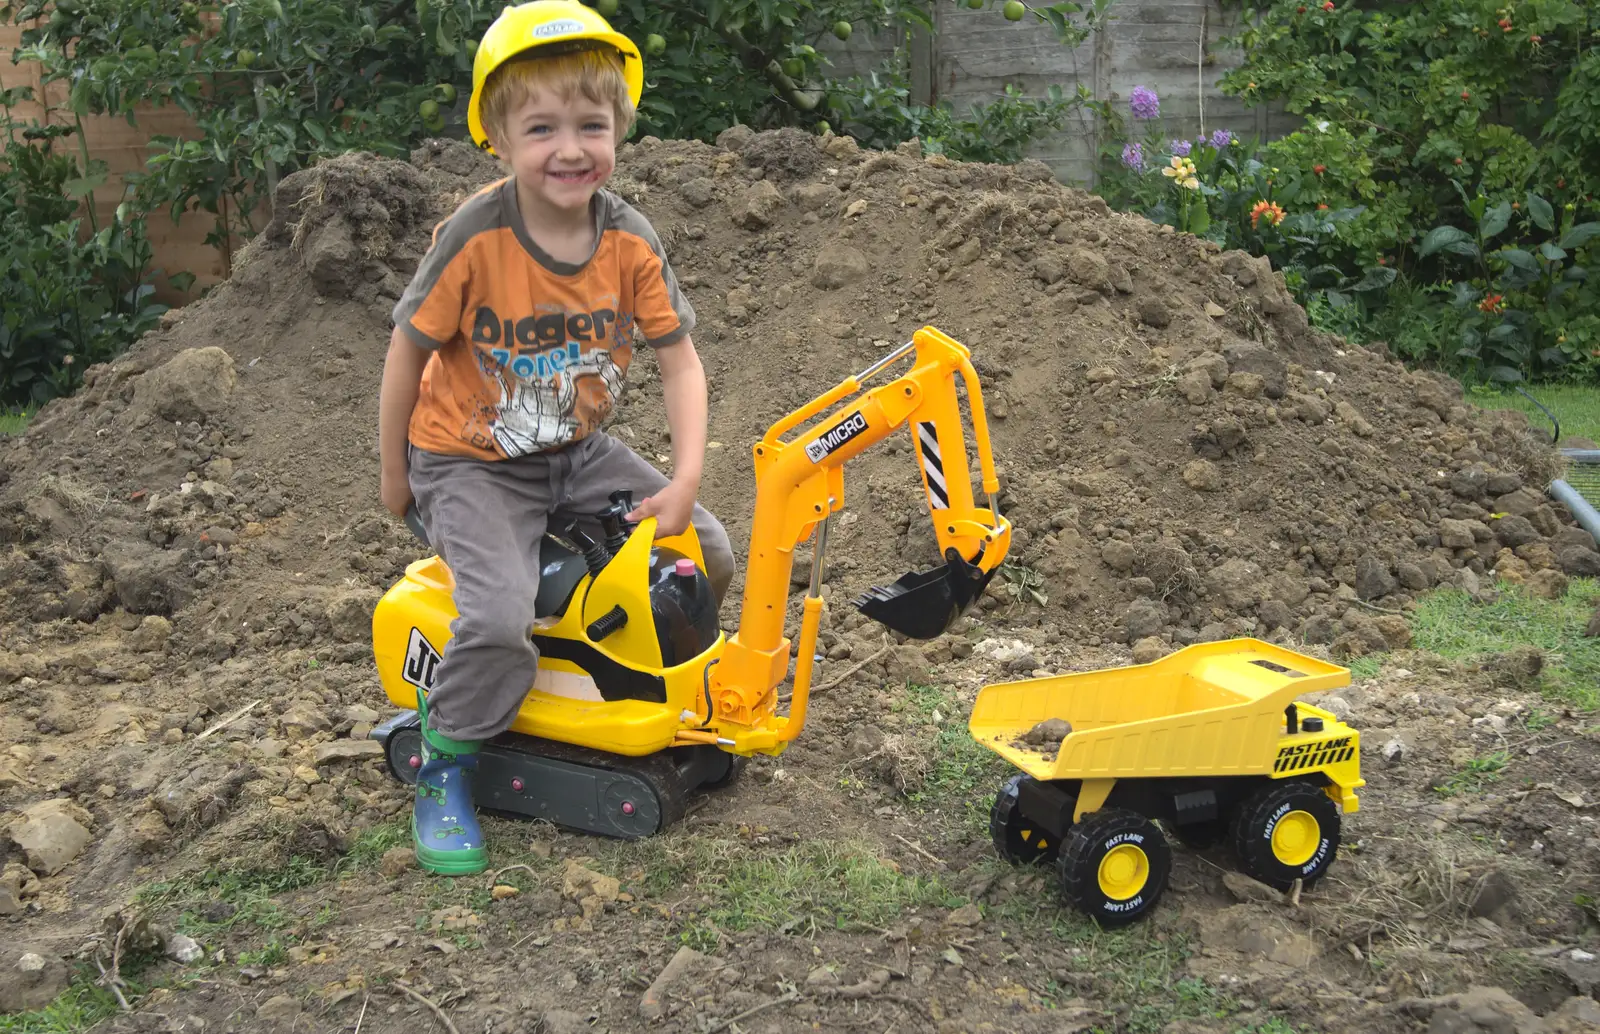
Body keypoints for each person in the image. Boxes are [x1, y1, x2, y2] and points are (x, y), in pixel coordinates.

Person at [376, 0, 735, 876]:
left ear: (620, 128)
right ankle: (447, 761)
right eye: (542, 127)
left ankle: (638, 699)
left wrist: (685, 477)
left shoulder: (629, 241)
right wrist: (398, 478)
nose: (570, 147)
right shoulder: (475, 237)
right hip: (468, 462)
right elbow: (406, 351)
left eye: (591, 124)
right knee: (498, 618)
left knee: (710, 550)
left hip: (573, 455)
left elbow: (681, 364)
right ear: (499, 137)